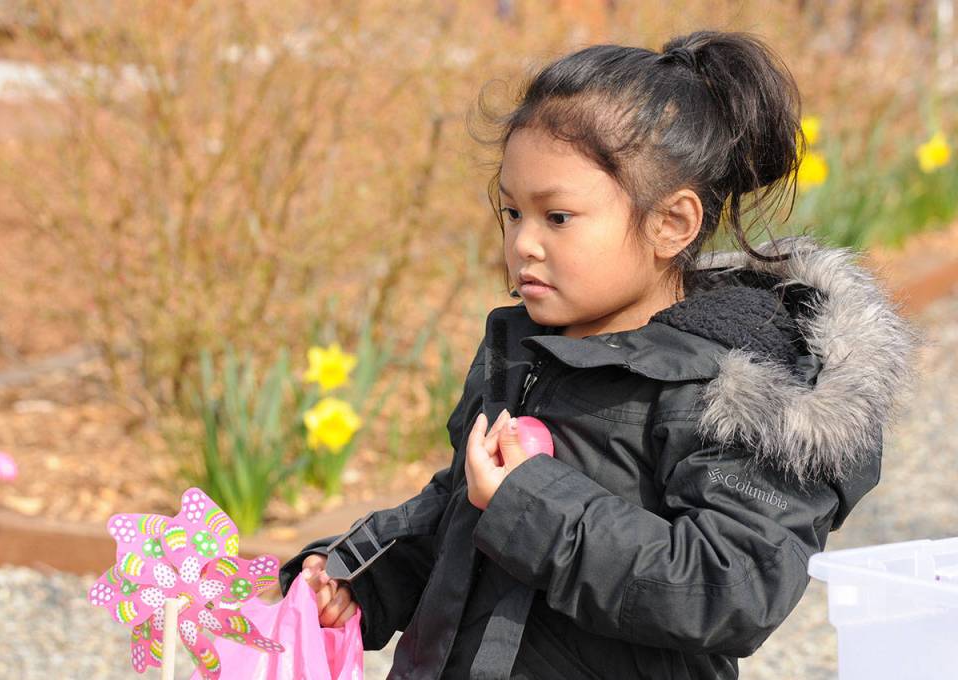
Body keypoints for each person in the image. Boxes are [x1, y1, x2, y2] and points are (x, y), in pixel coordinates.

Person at [278, 30, 920, 679]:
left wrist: (530, 505)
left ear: (671, 224)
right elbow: (456, 512)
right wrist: (359, 575)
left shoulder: (736, 391)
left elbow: (729, 590)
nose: (523, 242)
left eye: (557, 217)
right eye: (511, 212)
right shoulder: (525, 350)